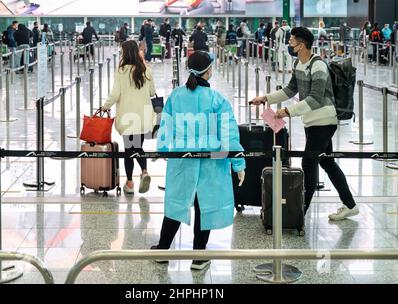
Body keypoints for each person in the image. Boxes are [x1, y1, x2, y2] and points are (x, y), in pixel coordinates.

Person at [251, 27, 359, 221]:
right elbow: (290, 90)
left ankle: (299, 212)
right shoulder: (299, 63)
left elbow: (316, 98)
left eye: (292, 41)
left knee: (309, 162)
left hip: (324, 121)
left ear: (301, 45)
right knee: (327, 162)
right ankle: (350, 205)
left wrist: (287, 112)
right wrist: (265, 98)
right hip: (312, 122)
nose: (290, 43)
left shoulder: (318, 66)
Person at [151, 51, 246, 270]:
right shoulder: (217, 100)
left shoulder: (176, 95)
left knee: (176, 203)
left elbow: (165, 125)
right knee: (205, 205)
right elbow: (229, 134)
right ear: (209, 70)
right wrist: (238, 164)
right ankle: (198, 257)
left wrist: (163, 150)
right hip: (211, 164)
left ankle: (163, 250)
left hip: (182, 161)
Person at [100, 40, 155, 195]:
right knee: (138, 146)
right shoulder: (146, 70)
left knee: (129, 150)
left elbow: (115, 94)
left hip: (127, 117)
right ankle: (144, 171)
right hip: (143, 117)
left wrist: (105, 106)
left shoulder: (122, 71)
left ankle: (129, 183)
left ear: (125, 53)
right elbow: (152, 93)